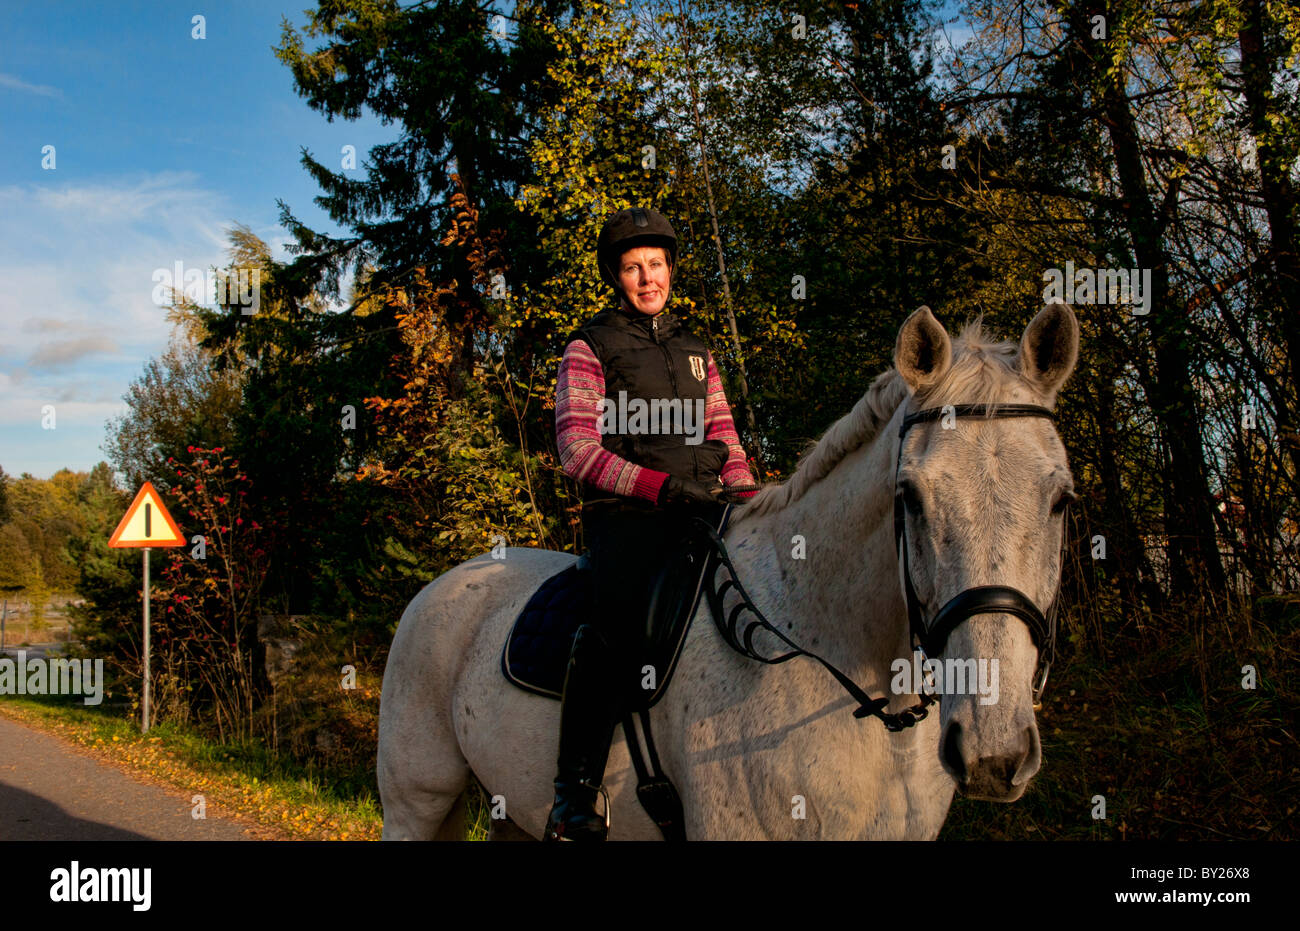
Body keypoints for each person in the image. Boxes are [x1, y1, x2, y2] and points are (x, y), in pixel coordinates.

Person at [544, 206, 759, 841]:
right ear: (617, 275)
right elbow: (577, 450)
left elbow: (726, 436)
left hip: (708, 510)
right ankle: (575, 791)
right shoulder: (589, 347)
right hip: (631, 517)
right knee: (616, 624)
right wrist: (663, 488)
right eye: (634, 267)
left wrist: (750, 498)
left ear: (671, 271)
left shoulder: (698, 353)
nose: (648, 277)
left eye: (657, 265)